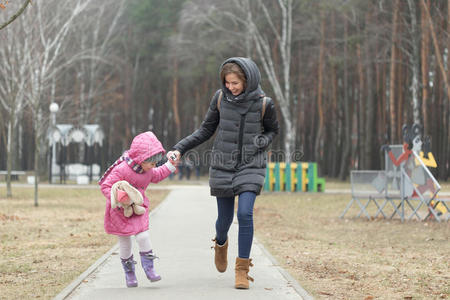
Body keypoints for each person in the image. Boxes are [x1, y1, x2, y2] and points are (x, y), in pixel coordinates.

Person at [168, 57, 279, 289]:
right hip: (223, 163)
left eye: (235, 83)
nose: (230, 87)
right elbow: (206, 129)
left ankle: (241, 270)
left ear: (248, 80)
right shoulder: (220, 99)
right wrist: (180, 148)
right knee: (224, 220)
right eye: (227, 82)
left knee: (245, 214)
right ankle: (220, 242)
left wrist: (262, 140)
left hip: (251, 164)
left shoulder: (264, 103)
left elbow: (272, 130)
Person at [98, 131, 176, 288]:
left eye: (155, 163)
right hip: (120, 211)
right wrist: (121, 199)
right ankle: (129, 273)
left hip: (139, 209)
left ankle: (149, 268)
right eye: (152, 163)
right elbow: (106, 186)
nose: (154, 166)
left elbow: (159, 173)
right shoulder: (122, 169)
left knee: (143, 236)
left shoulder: (147, 171)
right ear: (141, 159)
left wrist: (170, 165)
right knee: (125, 242)